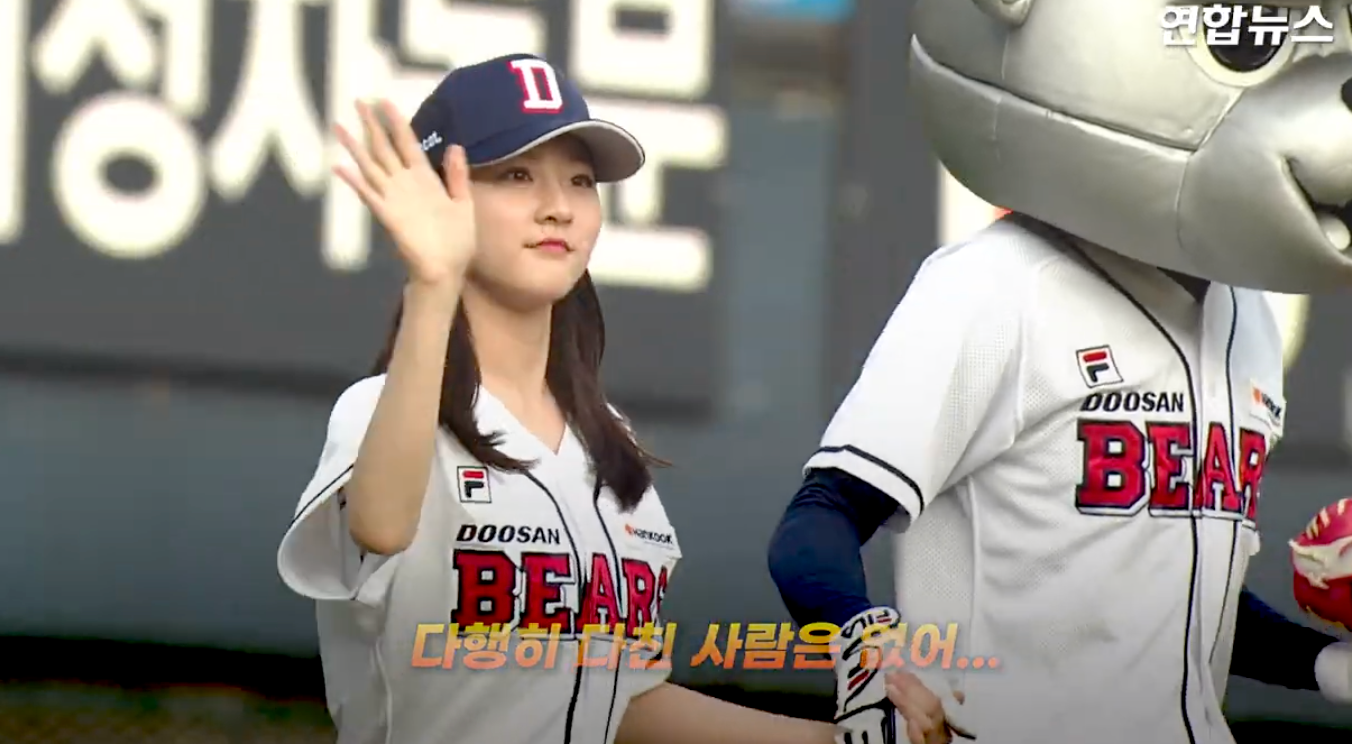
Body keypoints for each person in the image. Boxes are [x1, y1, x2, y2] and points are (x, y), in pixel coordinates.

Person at [765, 2, 1352, 744]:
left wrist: (1322, 665)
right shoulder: (995, 284)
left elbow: (1170, 604)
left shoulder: (1252, 316)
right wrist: (870, 656)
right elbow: (816, 526)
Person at [275, 53, 866, 744]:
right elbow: (380, 525)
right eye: (516, 175)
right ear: (438, 200)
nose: (559, 205)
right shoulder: (381, 410)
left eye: (580, 180)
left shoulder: (609, 441)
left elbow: (622, 697)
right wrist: (434, 283)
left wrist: (839, 740)